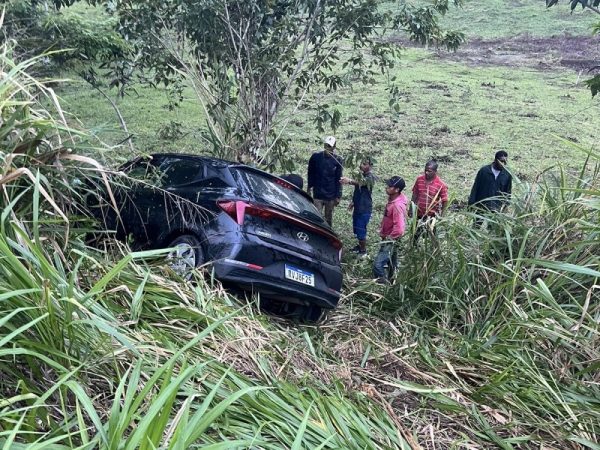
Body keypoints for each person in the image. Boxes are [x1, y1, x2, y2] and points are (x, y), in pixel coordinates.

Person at [373, 176, 408, 284]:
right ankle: (393, 282)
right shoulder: (393, 200)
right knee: (392, 263)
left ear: (397, 189)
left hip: (391, 239)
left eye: (389, 186)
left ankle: (385, 286)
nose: (386, 187)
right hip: (390, 237)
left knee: (377, 265)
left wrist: (389, 238)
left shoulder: (397, 206)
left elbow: (400, 228)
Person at [340, 157, 375, 257]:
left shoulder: (370, 177)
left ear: (370, 166)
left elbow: (361, 183)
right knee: (356, 227)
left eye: (364, 164)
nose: (361, 166)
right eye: (361, 163)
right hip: (358, 206)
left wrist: (349, 181)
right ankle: (359, 247)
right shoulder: (362, 176)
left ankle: (363, 251)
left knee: (361, 229)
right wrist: (353, 202)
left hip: (364, 208)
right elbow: (358, 189)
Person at [307, 136, 343, 226]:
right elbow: (310, 173)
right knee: (316, 218)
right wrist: (309, 188)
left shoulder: (337, 160)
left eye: (330, 146)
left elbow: (339, 178)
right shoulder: (316, 157)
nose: (328, 148)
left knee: (328, 218)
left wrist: (338, 195)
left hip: (330, 195)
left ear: (334, 147)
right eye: (326, 145)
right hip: (318, 193)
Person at [409, 160, 448, 242]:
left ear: (435, 171)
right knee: (415, 235)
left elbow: (445, 201)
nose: (426, 172)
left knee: (429, 238)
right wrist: (410, 209)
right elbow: (415, 194)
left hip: (431, 216)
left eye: (429, 171)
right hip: (418, 214)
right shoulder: (419, 180)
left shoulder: (441, 185)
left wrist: (442, 215)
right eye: (425, 170)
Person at [468, 151, 512, 223]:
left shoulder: (507, 174)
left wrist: (505, 206)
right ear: (495, 160)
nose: (503, 164)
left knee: (493, 229)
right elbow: (475, 187)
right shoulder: (484, 171)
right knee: (476, 225)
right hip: (481, 205)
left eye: (505, 161)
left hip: (496, 207)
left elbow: (508, 192)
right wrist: (471, 203)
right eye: (501, 161)